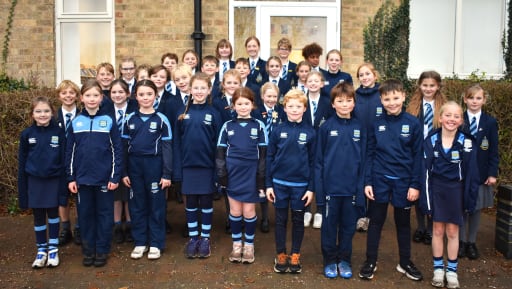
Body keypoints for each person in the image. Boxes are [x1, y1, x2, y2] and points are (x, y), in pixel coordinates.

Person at [359, 79, 423, 282]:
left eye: (396, 98)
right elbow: (369, 154)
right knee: (375, 222)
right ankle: (370, 261)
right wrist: (368, 182)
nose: (392, 102)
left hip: (403, 183)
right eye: (387, 99)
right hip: (379, 180)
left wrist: (414, 184)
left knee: (403, 224)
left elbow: (418, 157)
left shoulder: (413, 123)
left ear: (403, 97)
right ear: (381, 100)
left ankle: (405, 262)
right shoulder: (376, 124)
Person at [421, 101, 480, 288]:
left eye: (456, 116)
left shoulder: (467, 142)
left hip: (456, 191)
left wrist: (469, 200)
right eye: (448, 115)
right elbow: (426, 173)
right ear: (440, 118)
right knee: (437, 230)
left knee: (453, 231)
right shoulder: (430, 140)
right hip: (437, 190)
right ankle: (438, 269)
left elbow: (472, 174)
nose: (451, 119)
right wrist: (427, 202)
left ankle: (452, 271)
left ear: (461, 120)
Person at [65, 80, 122, 267]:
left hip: (105, 180)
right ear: (81, 98)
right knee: (85, 216)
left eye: (95, 95)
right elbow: (70, 153)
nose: (91, 99)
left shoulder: (108, 121)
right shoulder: (76, 123)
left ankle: (102, 250)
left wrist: (114, 177)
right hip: (82, 181)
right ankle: (88, 250)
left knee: (105, 216)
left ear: (101, 98)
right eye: (88, 95)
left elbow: (117, 151)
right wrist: (71, 177)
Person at [316, 82, 365, 279]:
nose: (344, 104)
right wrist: (321, 192)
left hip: (351, 190)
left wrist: (360, 190)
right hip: (330, 190)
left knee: (348, 227)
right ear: (333, 104)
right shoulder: (326, 127)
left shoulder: (360, 127)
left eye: (348, 101)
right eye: (340, 101)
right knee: (329, 228)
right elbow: (318, 162)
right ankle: (329, 260)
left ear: (354, 103)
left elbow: (364, 161)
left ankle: (344, 259)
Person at [121, 79, 172, 260]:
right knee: (137, 205)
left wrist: (166, 174)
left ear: (155, 95)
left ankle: (156, 243)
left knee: (156, 206)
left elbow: (167, 148)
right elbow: (123, 148)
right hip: (135, 167)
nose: (145, 98)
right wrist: (124, 172)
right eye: (141, 94)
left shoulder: (161, 119)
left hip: (154, 166)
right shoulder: (129, 119)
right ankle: (140, 242)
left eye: (149, 94)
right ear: (136, 96)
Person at [266, 89, 316, 274]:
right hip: (279, 184)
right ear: (284, 108)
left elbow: (313, 162)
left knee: (297, 220)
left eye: (298, 106)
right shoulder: (278, 130)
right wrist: (269, 184)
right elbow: (270, 157)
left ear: (304, 108)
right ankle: (281, 253)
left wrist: (311, 188)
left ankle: (295, 254)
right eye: (290, 106)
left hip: (300, 187)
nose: (294, 109)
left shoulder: (310, 133)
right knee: (280, 220)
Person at [216, 87, 267, 264]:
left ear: (252, 105)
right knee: (235, 211)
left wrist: (261, 178)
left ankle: (249, 246)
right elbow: (220, 152)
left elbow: (263, 154)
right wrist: (222, 174)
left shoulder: (259, 126)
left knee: (249, 211)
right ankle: (237, 245)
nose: (243, 107)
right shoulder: (227, 126)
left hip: (251, 175)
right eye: (239, 104)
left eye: (246, 103)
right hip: (233, 174)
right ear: (233, 106)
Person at [174, 73, 222, 259]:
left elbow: (219, 145)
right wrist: (177, 170)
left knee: (206, 203)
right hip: (188, 167)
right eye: (196, 88)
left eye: (203, 88)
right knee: (191, 203)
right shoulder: (182, 113)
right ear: (190, 90)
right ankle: (193, 238)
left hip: (207, 167)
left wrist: (218, 171)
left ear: (209, 90)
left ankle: (205, 239)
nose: (199, 91)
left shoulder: (214, 114)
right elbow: (177, 142)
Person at [18, 96, 67, 268]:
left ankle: (53, 249)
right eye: (38, 111)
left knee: (53, 215)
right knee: (39, 216)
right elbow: (22, 163)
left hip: (53, 181)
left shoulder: (59, 133)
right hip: (34, 182)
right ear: (32, 114)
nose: (42, 114)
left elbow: (64, 161)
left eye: (46, 111)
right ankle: (41, 250)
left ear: (52, 113)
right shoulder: (27, 135)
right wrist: (22, 191)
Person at [406, 71, 447, 245]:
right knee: (418, 189)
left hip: (436, 155)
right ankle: (421, 227)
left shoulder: (444, 106)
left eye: (432, 85)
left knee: (434, 190)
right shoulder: (413, 106)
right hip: (417, 154)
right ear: (419, 86)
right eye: (425, 85)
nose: (428, 89)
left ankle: (432, 229)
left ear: (438, 86)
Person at [459, 84, 499, 260]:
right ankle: (460, 242)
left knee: (476, 209)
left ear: (484, 100)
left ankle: (471, 242)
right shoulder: (458, 119)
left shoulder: (490, 122)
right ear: (465, 99)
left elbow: (493, 150)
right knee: (461, 208)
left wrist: (492, 173)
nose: (474, 101)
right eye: (471, 97)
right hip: (462, 173)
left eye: (478, 98)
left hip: (481, 174)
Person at [353, 62, 383, 233]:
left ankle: (373, 215)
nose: (365, 77)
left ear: (375, 75)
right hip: (359, 143)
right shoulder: (355, 95)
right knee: (359, 177)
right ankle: (361, 215)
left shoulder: (382, 94)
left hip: (378, 143)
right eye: (361, 75)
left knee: (374, 177)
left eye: (367, 74)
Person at [253, 82, 286, 234]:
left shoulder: (281, 112)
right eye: (269, 96)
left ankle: (280, 216)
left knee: (276, 183)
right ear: (262, 96)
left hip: (277, 152)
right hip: (260, 152)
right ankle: (264, 217)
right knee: (262, 184)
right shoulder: (256, 112)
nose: (272, 99)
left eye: (274, 96)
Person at [212, 68, 242, 233]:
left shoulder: (244, 99)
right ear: (223, 85)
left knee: (241, 183)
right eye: (228, 83)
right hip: (224, 147)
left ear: (240, 84)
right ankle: (231, 217)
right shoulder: (217, 102)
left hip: (241, 148)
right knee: (227, 183)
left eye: (235, 83)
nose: (232, 86)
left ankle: (243, 215)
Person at [302, 70, 333, 229]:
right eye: (310, 81)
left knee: (321, 174)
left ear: (322, 84)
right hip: (305, 142)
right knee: (306, 173)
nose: (313, 83)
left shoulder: (328, 102)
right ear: (305, 83)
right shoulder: (302, 100)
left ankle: (320, 210)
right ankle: (306, 209)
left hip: (323, 142)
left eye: (316, 81)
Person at [110, 79, 138, 244]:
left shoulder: (135, 109)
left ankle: (129, 224)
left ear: (127, 94)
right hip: (112, 155)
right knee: (116, 194)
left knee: (128, 192)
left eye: (121, 92)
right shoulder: (105, 111)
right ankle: (117, 225)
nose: (117, 95)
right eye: (114, 92)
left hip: (131, 154)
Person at [55, 80, 81, 246]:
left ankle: (79, 227)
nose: (68, 96)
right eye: (64, 93)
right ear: (59, 96)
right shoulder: (52, 118)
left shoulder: (83, 116)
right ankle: (65, 228)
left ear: (77, 96)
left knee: (79, 196)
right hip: (58, 163)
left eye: (71, 93)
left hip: (78, 163)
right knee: (61, 197)